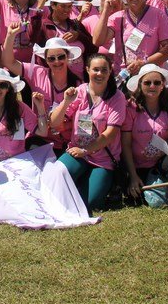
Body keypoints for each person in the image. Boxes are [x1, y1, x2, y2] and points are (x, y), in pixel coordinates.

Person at [50, 52, 127, 209]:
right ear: (87, 70)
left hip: (102, 158)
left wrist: (85, 150)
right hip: (77, 152)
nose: (99, 74)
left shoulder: (117, 97)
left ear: (110, 71)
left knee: (91, 203)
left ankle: (87, 181)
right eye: (95, 69)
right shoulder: (80, 91)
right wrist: (65, 102)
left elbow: (110, 134)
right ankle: (79, 178)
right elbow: (54, 122)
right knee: (54, 176)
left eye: (104, 70)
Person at [2, 26, 84, 155]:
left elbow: (83, 119)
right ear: (46, 60)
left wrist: (67, 126)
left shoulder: (78, 84)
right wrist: (10, 36)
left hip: (67, 142)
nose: (57, 61)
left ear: (68, 56)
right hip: (40, 138)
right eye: (51, 58)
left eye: (61, 57)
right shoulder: (37, 72)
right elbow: (9, 62)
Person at [122, 64, 168, 206]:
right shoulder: (131, 107)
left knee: (157, 202)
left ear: (163, 85)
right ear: (140, 84)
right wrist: (133, 176)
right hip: (136, 165)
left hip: (162, 163)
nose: (152, 86)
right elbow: (125, 144)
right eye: (147, 82)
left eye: (157, 82)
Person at [93, 0, 168, 76]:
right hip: (123, 74)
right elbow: (97, 41)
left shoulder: (158, 15)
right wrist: (105, 11)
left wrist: (144, 63)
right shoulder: (117, 17)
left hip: (149, 75)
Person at [37, 0, 94, 78]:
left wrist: (78, 36)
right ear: (53, 5)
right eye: (63, 6)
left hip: (81, 78)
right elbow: (34, 43)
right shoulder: (44, 26)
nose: (67, 10)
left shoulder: (76, 25)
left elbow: (93, 48)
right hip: (57, 79)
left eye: (69, 6)